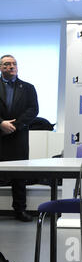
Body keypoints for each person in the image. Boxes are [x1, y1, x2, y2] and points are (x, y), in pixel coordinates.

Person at [0, 55, 39, 222]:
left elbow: (33, 110)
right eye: (7, 64)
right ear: (1, 67)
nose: (11, 66)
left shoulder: (28, 88)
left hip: (18, 136)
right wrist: (1, 123)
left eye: (14, 64)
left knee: (19, 175)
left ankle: (20, 210)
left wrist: (15, 126)